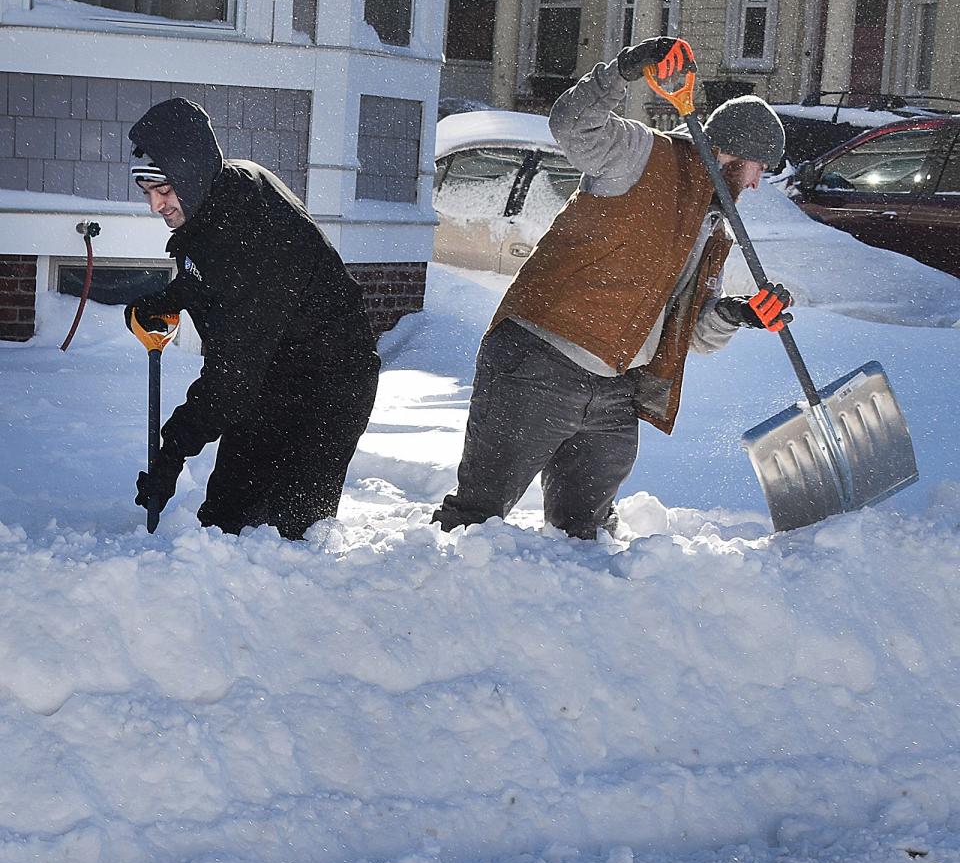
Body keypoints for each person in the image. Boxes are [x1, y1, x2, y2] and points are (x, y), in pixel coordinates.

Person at [433, 38, 793, 541]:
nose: (756, 184)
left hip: (617, 393)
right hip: (539, 364)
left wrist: (735, 313)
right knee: (476, 519)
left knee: (585, 535)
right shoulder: (643, 154)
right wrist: (624, 70)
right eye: (761, 168)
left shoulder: (714, 229)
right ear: (739, 154)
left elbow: (691, 334)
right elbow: (571, 125)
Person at [125, 97, 380, 539]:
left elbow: (232, 377)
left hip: (329, 385)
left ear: (189, 172)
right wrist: (170, 296)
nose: (156, 206)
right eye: (149, 193)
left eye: (163, 191)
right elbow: (209, 271)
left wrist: (172, 451)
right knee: (225, 520)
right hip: (273, 372)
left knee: (289, 537)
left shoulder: (251, 238)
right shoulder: (223, 189)